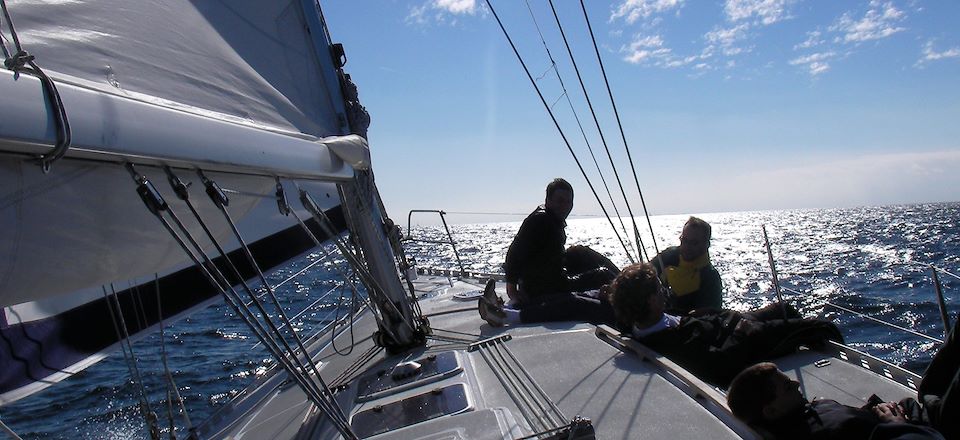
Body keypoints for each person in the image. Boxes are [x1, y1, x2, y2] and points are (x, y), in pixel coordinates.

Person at [608, 262, 843, 387]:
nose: (665, 291)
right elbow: (720, 364)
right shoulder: (672, 344)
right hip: (745, 336)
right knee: (821, 327)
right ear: (650, 300)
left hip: (728, 321)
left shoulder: (643, 325)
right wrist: (741, 333)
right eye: (660, 289)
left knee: (785, 308)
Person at [726, 319, 959, 440]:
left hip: (921, 409)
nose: (797, 383)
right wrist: (897, 426)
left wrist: (874, 410)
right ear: (771, 411)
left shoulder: (804, 413)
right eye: (787, 386)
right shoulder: (823, 433)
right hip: (936, 429)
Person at [502, 178, 619, 306]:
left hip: (550, 277)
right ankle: (629, 287)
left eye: (569, 202)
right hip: (546, 288)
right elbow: (515, 252)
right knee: (604, 274)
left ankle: (626, 280)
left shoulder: (550, 218)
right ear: (548, 201)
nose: (565, 206)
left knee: (579, 252)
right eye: (560, 201)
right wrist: (512, 290)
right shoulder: (540, 220)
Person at [650, 216, 723, 313]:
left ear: (706, 244)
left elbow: (710, 317)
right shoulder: (668, 256)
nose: (687, 247)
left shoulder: (709, 277)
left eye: (694, 243)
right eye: (684, 240)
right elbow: (644, 273)